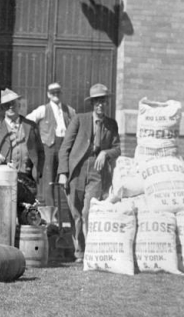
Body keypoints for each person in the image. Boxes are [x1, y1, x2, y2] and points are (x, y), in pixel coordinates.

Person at [57, 83, 121, 263]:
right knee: (75, 213)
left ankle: (92, 250)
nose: (100, 105)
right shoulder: (79, 119)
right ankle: (80, 252)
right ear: (92, 104)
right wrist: (63, 172)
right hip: (76, 169)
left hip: (97, 171)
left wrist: (105, 153)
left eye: (103, 102)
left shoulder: (111, 124)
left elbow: (117, 149)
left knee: (89, 211)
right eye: (97, 102)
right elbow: (65, 148)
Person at [0, 88, 44, 211]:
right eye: (7, 105)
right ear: (3, 108)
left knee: (26, 217)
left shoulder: (31, 126)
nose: (10, 107)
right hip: (3, 180)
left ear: (18, 105)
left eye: (13, 103)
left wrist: (37, 171)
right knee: (4, 215)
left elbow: (40, 152)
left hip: (27, 181)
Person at [26, 82, 76, 209]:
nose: (56, 95)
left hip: (65, 147)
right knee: (48, 181)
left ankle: (69, 213)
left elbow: (77, 126)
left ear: (61, 93)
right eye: (53, 93)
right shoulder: (43, 110)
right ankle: (50, 217)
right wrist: (37, 139)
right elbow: (27, 121)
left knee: (67, 180)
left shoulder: (69, 111)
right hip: (49, 147)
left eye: (58, 92)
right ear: (48, 94)